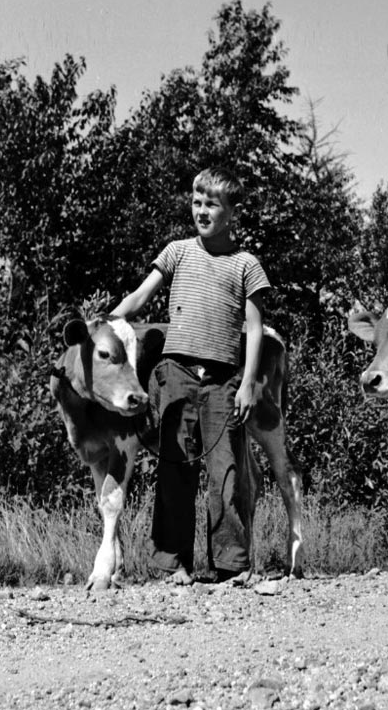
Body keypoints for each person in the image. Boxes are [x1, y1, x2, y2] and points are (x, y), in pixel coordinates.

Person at [111, 166, 271, 586]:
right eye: (197, 202)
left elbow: (254, 329)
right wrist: (108, 320)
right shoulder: (178, 251)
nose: (202, 211)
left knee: (227, 472)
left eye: (212, 204)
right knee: (175, 470)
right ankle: (171, 564)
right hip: (176, 373)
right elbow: (142, 295)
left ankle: (231, 565)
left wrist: (249, 382)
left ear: (232, 212)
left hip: (222, 381)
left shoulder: (246, 264)